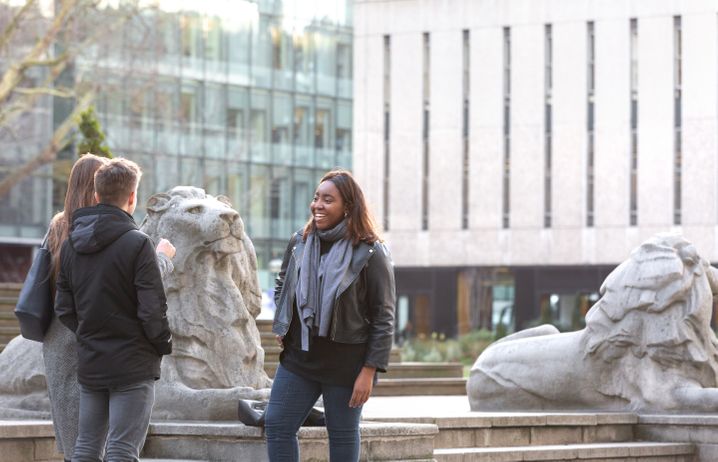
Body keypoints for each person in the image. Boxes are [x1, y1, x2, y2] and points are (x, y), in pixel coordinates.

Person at [43, 154, 174, 462]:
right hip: (133, 363)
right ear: (132, 197)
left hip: (92, 362)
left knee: (86, 448)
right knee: (122, 450)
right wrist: (160, 345)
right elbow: (151, 308)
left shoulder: (72, 243)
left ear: (98, 195)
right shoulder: (138, 244)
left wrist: (90, 334)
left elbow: (64, 307)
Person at [265, 169, 396, 462]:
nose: (317, 205)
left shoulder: (371, 252)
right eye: (316, 198)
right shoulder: (300, 241)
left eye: (328, 199)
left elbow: (384, 316)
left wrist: (370, 370)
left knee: (342, 435)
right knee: (277, 425)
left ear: (347, 206)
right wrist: (284, 320)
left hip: (347, 363)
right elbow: (283, 284)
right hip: (300, 356)